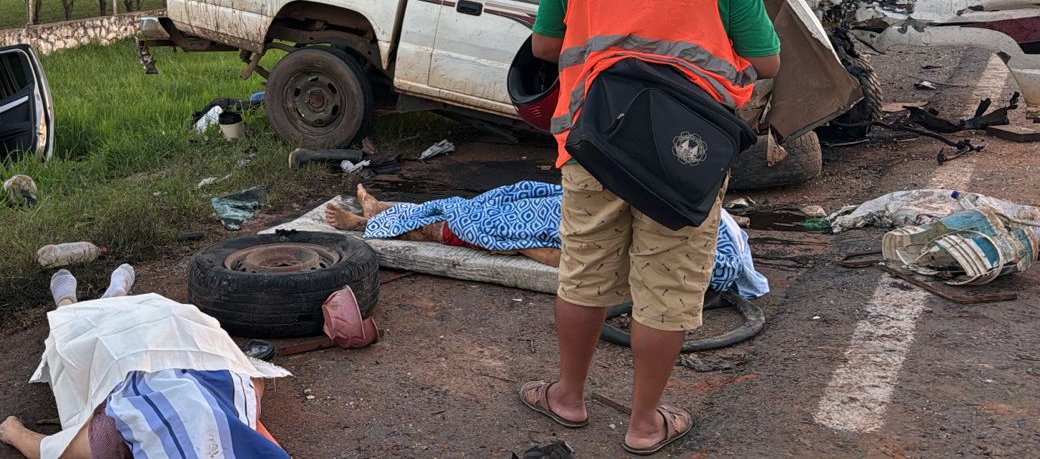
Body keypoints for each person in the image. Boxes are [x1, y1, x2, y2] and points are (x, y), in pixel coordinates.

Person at [522, 0, 781, 455]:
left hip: (594, 142)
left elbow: (542, 47)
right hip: (684, 154)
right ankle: (643, 424)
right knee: (667, 283)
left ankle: (567, 397)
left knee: (585, 270)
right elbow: (767, 62)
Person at [0, 264, 291, 459]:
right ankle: (112, 297)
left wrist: (15, 433)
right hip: (185, 353)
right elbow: (53, 451)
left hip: (140, 361)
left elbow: (54, 450)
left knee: (83, 342)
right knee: (154, 322)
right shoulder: (114, 437)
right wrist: (15, 433)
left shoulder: (114, 435)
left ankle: (71, 304)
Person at [324, 183, 768, 300]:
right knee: (474, 208)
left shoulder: (697, 255)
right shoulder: (708, 237)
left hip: (560, 225)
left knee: (460, 224)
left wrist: (515, 245)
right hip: (575, 211)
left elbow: (572, 261)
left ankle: (367, 220)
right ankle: (379, 212)